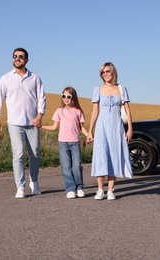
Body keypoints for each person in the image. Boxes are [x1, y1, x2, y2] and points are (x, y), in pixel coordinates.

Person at [0, 47, 46, 199]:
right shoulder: (5, 78)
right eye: (15, 56)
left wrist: (40, 115)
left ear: (26, 60)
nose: (17, 58)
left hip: (32, 122)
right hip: (14, 123)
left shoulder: (35, 78)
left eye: (21, 56)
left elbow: (42, 97)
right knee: (18, 154)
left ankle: (34, 182)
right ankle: (20, 187)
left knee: (35, 154)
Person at [86, 62, 133, 200]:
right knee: (101, 156)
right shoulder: (98, 89)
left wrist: (129, 129)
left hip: (116, 127)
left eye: (108, 71)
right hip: (101, 127)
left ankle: (111, 190)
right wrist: (90, 131)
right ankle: (100, 190)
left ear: (113, 72)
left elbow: (128, 111)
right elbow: (95, 112)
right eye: (103, 72)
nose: (105, 74)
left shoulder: (121, 89)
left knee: (114, 156)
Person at [42, 87, 88, 199]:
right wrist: (41, 126)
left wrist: (89, 135)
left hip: (75, 143)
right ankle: (70, 189)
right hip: (63, 143)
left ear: (73, 98)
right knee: (66, 167)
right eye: (63, 96)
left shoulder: (78, 111)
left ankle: (79, 187)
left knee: (76, 166)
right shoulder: (59, 111)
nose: (66, 99)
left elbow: (81, 128)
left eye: (68, 96)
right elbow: (54, 127)